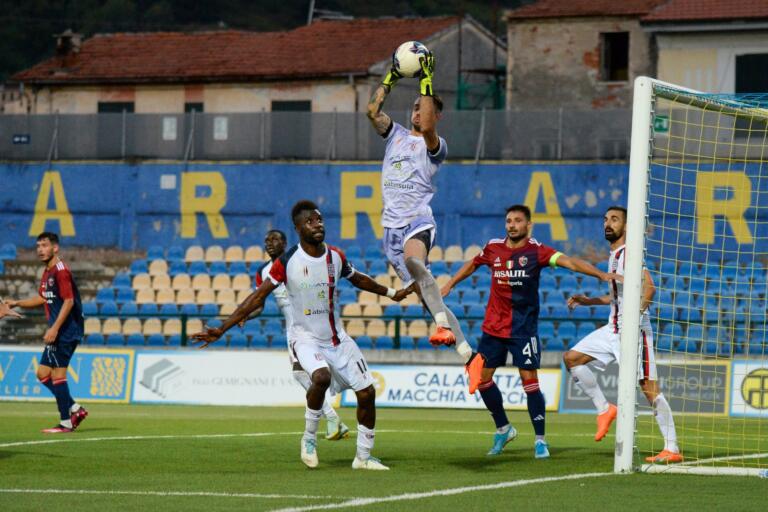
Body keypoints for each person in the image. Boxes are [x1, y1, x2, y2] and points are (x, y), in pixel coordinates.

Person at [193, 200, 410, 470]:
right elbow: (257, 297)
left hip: (337, 338)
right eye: (310, 221)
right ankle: (309, 438)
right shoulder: (287, 261)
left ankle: (363, 458)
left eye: (319, 220)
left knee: (366, 393)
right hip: (303, 338)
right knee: (320, 377)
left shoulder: (335, 256)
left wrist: (392, 293)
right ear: (298, 228)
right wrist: (222, 328)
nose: (318, 225)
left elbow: (359, 279)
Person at [441, 205, 615, 459]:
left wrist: (599, 273)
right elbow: (472, 264)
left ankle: (540, 440)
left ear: (528, 225)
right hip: (493, 329)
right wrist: (450, 284)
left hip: (523, 329)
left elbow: (568, 262)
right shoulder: (493, 248)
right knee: (482, 379)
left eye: (517, 221)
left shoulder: (537, 251)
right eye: (509, 221)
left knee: (529, 382)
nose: (512, 225)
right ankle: (504, 429)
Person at [367, 49, 484, 392]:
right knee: (429, 297)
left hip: (418, 220)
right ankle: (468, 355)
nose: (417, 111)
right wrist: (391, 76)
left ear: (434, 114)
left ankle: (445, 330)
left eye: (423, 107)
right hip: (391, 228)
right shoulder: (396, 135)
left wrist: (426, 80)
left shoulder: (436, 145)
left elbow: (430, 125)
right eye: (415, 107)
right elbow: (372, 111)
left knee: (414, 260)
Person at [564, 206, 682, 463]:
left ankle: (672, 448)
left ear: (627, 226)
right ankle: (605, 409)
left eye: (614, 219)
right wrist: (589, 301)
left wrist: (634, 319)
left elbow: (648, 288)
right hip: (612, 328)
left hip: (633, 330)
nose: (608, 223)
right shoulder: (615, 254)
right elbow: (618, 296)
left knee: (648, 388)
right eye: (606, 219)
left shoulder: (629, 253)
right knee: (572, 358)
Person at [251, 229, 349, 441]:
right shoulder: (263, 271)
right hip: (295, 329)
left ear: (285, 243)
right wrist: (246, 316)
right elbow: (258, 303)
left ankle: (334, 419)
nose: (270, 243)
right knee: (301, 374)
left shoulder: (297, 261)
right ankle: (333, 419)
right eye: (267, 240)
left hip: (315, 325)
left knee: (307, 373)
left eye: (275, 239)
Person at [4, 232, 88, 433]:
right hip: (60, 330)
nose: (40, 249)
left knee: (58, 375)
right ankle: (75, 408)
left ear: (55, 248)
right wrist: (16, 302)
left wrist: (54, 328)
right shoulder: (47, 272)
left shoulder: (61, 271)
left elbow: (68, 301)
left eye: (44, 245)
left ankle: (66, 422)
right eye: (38, 246)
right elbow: (42, 298)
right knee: (42, 374)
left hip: (67, 330)